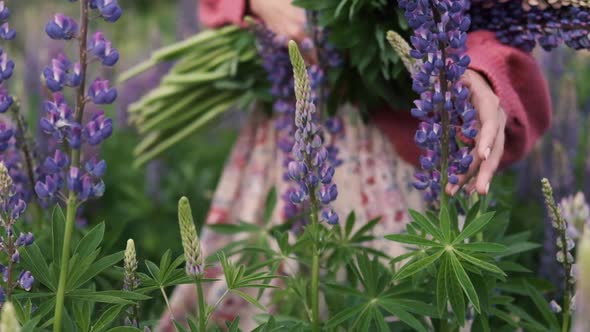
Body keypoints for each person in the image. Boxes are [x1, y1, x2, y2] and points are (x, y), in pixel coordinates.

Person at [159, 0, 552, 330]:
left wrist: (474, 69)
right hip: (286, 132)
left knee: (405, 300)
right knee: (260, 301)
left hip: (409, 146)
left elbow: (499, 17)